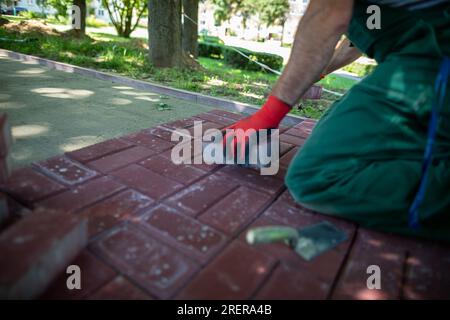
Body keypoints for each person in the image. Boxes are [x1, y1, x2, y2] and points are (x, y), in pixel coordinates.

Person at [227, 0, 450, 242]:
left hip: (434, 57)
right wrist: (313, 76)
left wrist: (267, 116)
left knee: (317, 176)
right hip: (417, 55)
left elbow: (329, 13)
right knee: (332, 127)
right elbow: (352, 43)